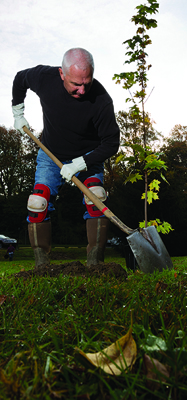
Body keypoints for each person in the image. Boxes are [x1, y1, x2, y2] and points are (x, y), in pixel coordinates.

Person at [12, 48, 120, 268]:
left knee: (96, 198)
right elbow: (20, 78)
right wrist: (18, 112)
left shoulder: (101, 100)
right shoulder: (44, 78)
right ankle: (42, 264)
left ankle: (95, 263)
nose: (81, 90)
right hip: (50, 153)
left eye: (86, 83)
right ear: (62, 74)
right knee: (38, 202)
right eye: (75, 84)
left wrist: (81, 163)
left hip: (87, 156)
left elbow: (112, 143)